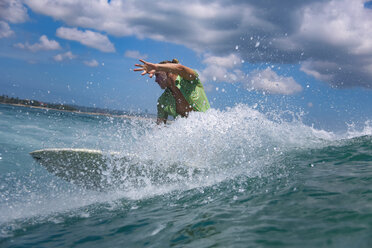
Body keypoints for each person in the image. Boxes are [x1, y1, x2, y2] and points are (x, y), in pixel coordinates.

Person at [134, 59, 210, 124]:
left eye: (157, 75)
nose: (156, 80)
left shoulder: (190, 81)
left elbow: (180, 68)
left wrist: (156, 66)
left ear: (168, 72)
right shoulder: (163, 101)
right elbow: (159, 128)